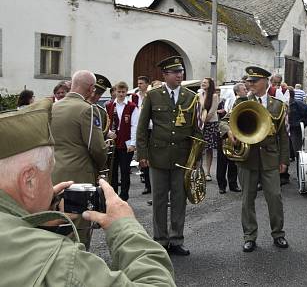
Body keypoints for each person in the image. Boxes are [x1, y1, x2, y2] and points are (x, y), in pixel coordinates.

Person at [0, 100, 176, 286]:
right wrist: (126, 229)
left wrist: (34, 221)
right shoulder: (61, 263)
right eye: (50, 173)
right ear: (29, 180)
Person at [137, 56, 202, 256]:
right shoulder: (153, 96)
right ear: (165, 75)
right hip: (158, 155)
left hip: (181, 157)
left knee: (179, 199)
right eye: (175, 72)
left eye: (181, 72)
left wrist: (195, 158)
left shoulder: (191, 97)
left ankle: (176, 239)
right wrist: (142, 154)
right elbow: (141, 128)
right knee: (158, 199)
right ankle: (160, 239)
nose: (179, 75)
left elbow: (196, 130)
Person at [221, 66, 290, 253]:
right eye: (248, 81)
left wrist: (284, 160)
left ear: (265, 82)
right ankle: (249, 236)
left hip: (270, 157)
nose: (249, 84)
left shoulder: (278, 105)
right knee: (247, 199)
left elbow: (283, 136)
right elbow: (224, 121)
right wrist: (228, 131)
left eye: (254, 81)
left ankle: (278, 234)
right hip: (248, 158)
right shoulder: (241, 102)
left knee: (275, 197)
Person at [51, 70, 107, 249]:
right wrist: (100, 166)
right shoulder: (87, 109)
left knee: (56, 224)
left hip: (53, 174)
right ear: (91, 88)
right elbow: (97, 148)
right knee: (80, 228)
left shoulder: (53, 107)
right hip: (79, 176)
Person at [106, 81, 139, 201]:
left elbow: (135, 125)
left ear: (126, 92)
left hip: (126, 142)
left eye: (123, 92)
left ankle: (124, 195)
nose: (120, 94)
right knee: (113, 171)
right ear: (115, 92)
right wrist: (109, 133)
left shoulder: (131, 107)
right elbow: (107, 123)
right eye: (118, 92)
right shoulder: (109, 106)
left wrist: (132, 143)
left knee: (125, 171)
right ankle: (114, 195)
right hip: (114, 142)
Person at [215, 83, 245, 194]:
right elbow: (225, 119)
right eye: (244, 89)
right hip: (226, 133)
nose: (246, 91)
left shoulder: (246, 101)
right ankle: (221, 186)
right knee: (222, 162)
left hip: (237, 134)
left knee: (233, 161)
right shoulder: (233, 101)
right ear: (237, 92)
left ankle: (233, 184)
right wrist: (228, 131)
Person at [287, 88, 307, 181]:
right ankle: (284, 176)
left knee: (298, 153)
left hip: (295, 131)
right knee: (286, 153)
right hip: (286, 131)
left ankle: (300, 175)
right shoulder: (284, 103)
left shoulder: (297, 103)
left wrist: (302, 123)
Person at [134, 76, 152, 194]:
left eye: (141, 83)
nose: (139, 85)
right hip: (140, 128)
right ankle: (147, 184)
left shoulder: (151, 95)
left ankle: (153, 183)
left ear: (147, 84)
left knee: (151, 157)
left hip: (151, 128)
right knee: (142, 156)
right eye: (138, 83)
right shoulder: (134, 97)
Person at [200, 77, 219, 182]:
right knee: (200, 147)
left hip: (210, 123)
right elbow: (199, 108)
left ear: (210, 84)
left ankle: (208, 172)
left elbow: (212, 111)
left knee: (209, 148)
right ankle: (200, 170)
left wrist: (204, 121)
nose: (203, 83)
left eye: (205, 82)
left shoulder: (214, 96)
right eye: (202, 82)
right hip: (201, 124)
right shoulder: (200, 94)